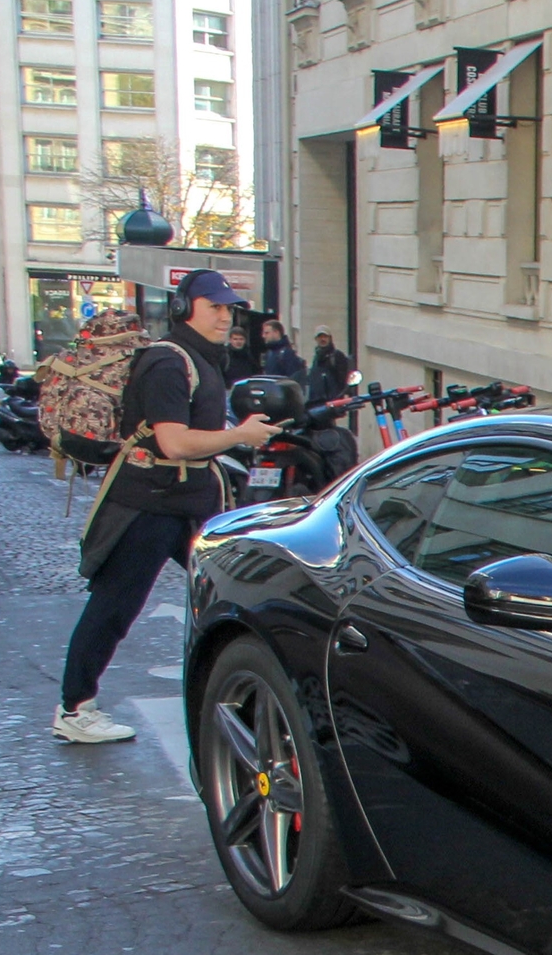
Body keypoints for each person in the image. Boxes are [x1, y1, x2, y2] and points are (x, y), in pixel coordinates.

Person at [54, 270, 280, 743]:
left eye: (228, 308)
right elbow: (174, 442)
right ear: (184, 308)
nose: (225, 315)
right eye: (214, 306)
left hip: (188, 503)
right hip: (148, 506)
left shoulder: (203, 359)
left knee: (235, 594)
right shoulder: (167, 362)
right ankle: (75, 710)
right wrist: (239, 436)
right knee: (115, 606)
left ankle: (247, 695)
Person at [306, 330, 353, 407]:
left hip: (332, 400)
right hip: (317, 400)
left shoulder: (337, 355)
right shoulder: (317, 356)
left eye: (325, 337)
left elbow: (343, 377)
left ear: (330, 338)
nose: (322, 339)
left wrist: (340, 396)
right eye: (320, 337)